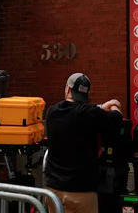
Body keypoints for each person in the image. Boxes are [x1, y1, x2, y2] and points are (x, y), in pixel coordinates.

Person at [43, 73, 124, 213]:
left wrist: (100, 107)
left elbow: (81, 112)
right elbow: (116, 119)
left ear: (68, 89)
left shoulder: (52, 112)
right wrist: (114, 105)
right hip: (81, 191)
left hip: (53, 191)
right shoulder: (89, 114)